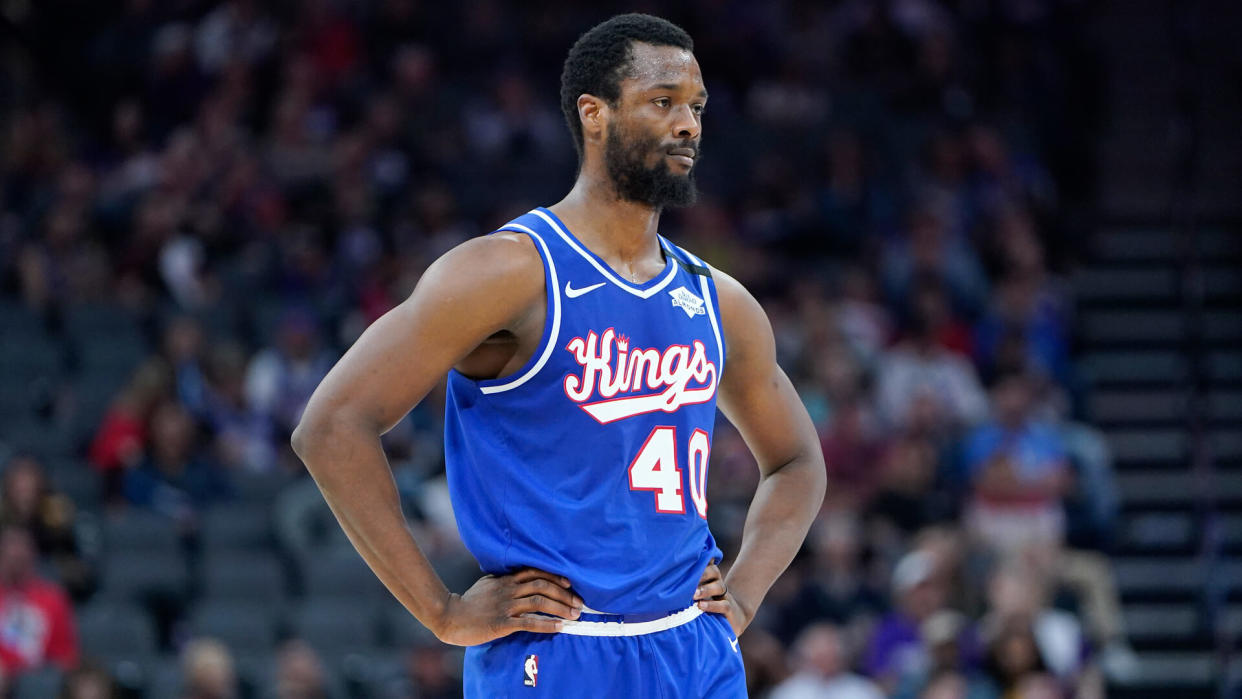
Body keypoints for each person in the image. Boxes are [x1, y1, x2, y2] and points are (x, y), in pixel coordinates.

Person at [292, 13, 825, 698]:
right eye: (663, 101)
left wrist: (745, 596)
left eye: (696, 106)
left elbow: (798, 461)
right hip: (556, 652)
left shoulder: (719, 301)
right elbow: (331, 426)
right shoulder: (508, 271)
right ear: (593, 113)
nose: (689, 124)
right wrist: (443, 611)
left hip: (693, 651)